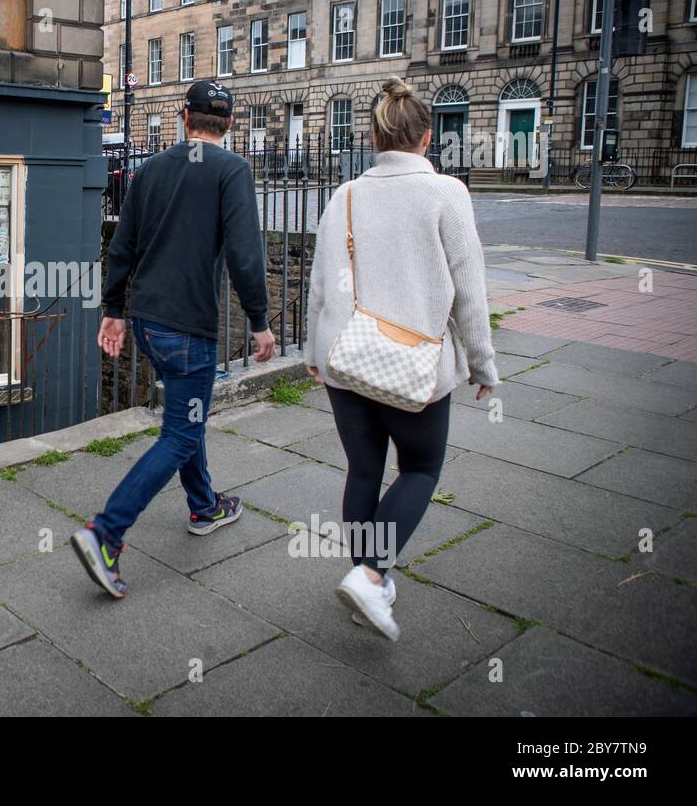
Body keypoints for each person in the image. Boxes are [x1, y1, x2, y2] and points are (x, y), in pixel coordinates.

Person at [305, 77, 498, 640]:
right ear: (427, 137)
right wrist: (484, 366)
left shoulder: (345, 195)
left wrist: (317, 353)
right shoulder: (447, 193)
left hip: (347, 362)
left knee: (363, 470)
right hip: (413, 367)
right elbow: (470, 290)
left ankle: (370, 579)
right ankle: (370, 575)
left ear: (373, 136)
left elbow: (321, 282)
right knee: (418, 470)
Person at [71, 81, 276, 598]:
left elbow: (122, 246)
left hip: (147, 320)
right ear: (228, 124)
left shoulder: (151, 170)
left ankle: (204, 505)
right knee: (182, 432)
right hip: (189, 327)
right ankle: (105, 533)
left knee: (188, 413)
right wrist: (259, 320)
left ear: (185, 118)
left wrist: (114, 311)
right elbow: (246, 255)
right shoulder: (233, 170)